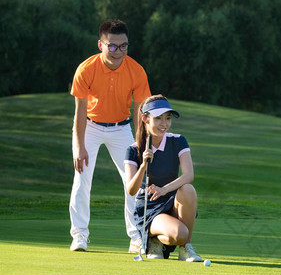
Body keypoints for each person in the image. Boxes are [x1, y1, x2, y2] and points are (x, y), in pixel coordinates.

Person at [69, 19, 151, 252]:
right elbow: (80, 112)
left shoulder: (136, 70)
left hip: (121, 128)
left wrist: (140, 144)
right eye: (112, 46)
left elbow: (139, 113)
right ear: (100, 45)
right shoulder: (86, 69)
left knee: (133, 181)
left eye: (123, 46)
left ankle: (137, 237)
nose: (118, 51)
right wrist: (79, 146)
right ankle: (80, 235)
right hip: (90, 127)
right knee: (82, 178)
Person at [124, 95, 203, 262]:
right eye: (158, 118)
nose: (164, 124)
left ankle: (185, 249)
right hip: (149, 208)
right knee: (179, 233)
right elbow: (131, 190)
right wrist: (144, 166)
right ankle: (152, 238)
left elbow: (189, 175)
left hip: (172, 202)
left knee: (188, 189)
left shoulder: (178, 141)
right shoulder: (133, 150)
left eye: (167, 118)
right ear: (145, 119)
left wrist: (165, 189)